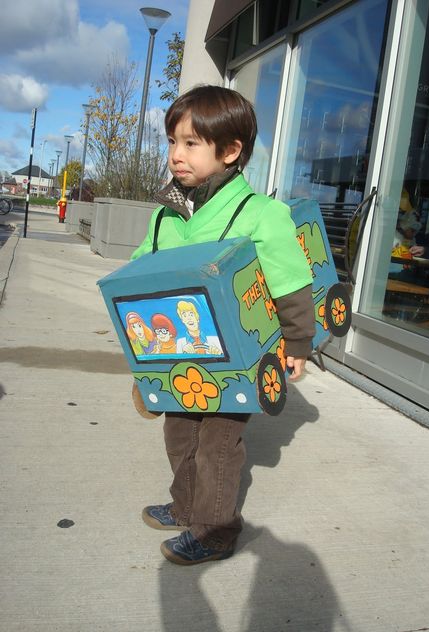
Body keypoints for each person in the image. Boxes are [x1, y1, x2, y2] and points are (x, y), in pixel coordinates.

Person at [131, 85, 315, 565]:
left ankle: (214, 529)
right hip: (179, 353)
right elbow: (137, 278)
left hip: (238, 355)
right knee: (179, 434)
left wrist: (297, 341)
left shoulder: (261, 214)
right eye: (172, 141)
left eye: (191, 143)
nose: (176, 155)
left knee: (218, 443)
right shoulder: (165, 216)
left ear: (230, 151)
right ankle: (185, 504)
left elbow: (291, 281)